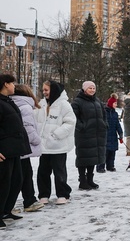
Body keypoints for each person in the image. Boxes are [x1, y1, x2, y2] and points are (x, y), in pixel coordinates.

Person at [35, 80, 76, 206]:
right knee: (43, 171)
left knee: (59, 172)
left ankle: (63, 194)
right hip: (44, 146)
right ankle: (43, 194)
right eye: (43, 90)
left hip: (58, 145)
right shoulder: (42, 104)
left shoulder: (64, 104)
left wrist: (56, 134)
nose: (44, 92)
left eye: (47, 90)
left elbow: (70, 122)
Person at [0, 74, 31, 229]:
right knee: (3, 183)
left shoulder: (8, 101)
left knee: (16, 180)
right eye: (12, 83)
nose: (14, 86)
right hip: (4, 151)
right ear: (6, 84)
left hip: (14, 149)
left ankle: (6, 210)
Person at [12, 84, 44, 212]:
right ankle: (28, 201)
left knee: (19, 175)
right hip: (22, 147)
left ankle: (27, 200)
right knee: (23, 175)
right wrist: (37, 140)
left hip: (15, 146)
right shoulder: (25, 107)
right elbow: (27, 127)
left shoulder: (13, 103)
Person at [71, 81, 107, 190]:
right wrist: (82, 127)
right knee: (83, 157)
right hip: (84, 134)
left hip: (97, 134)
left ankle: (90, 180)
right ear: (84, 89)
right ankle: (82, 180)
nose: (92, 90)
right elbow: (73, 117)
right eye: (90, 88)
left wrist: (105, 125)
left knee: (93, 157)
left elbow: (104, 115)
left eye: (93, 88)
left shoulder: (97, 101)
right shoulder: (77, 102)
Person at [97, 94, 123, 173]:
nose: (116, 105)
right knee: (104, 152)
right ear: (111, 104)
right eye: (115, 103)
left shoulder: (115, 114)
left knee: (112, 152)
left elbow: (117, 125)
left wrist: (120, 133)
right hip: (105, 135)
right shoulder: (105, 112)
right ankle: (100, 167)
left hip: (113, 136)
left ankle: (110, 166)